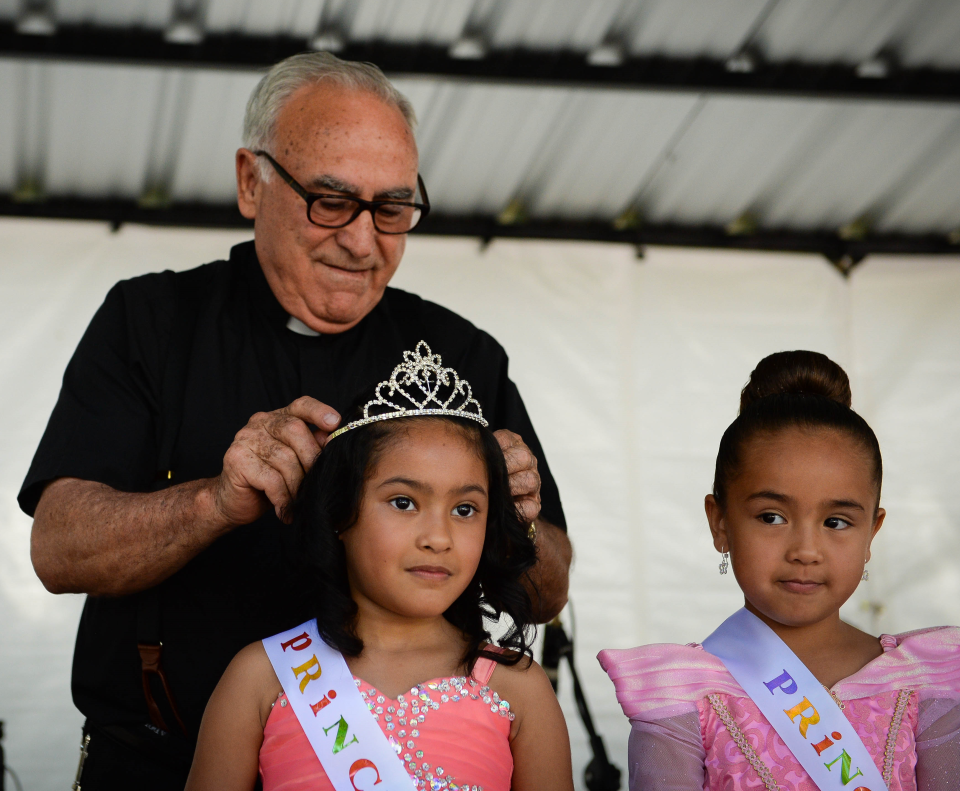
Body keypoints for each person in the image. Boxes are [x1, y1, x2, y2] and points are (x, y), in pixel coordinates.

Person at [21, 53, 571, 788]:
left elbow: (548, 589)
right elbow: (58, 547)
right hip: (154, 761)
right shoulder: (150, 322)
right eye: (331, 200)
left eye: (393, 208)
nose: (362, 239)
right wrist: (212, 501)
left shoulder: (462, 356)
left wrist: (518, 520)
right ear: (253, 182)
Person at [185, 342, 573, 791]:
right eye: (404, 502)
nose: (439, 537)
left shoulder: (518, 689)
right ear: (338, 515)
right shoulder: (261, 676)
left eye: (465, 509)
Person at [598, 351, 960, 791]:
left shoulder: (926, 684)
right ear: (720, 522)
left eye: (836, 522)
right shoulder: (682, 696)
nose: (806, 551)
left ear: (871, 533)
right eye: (772, 517)